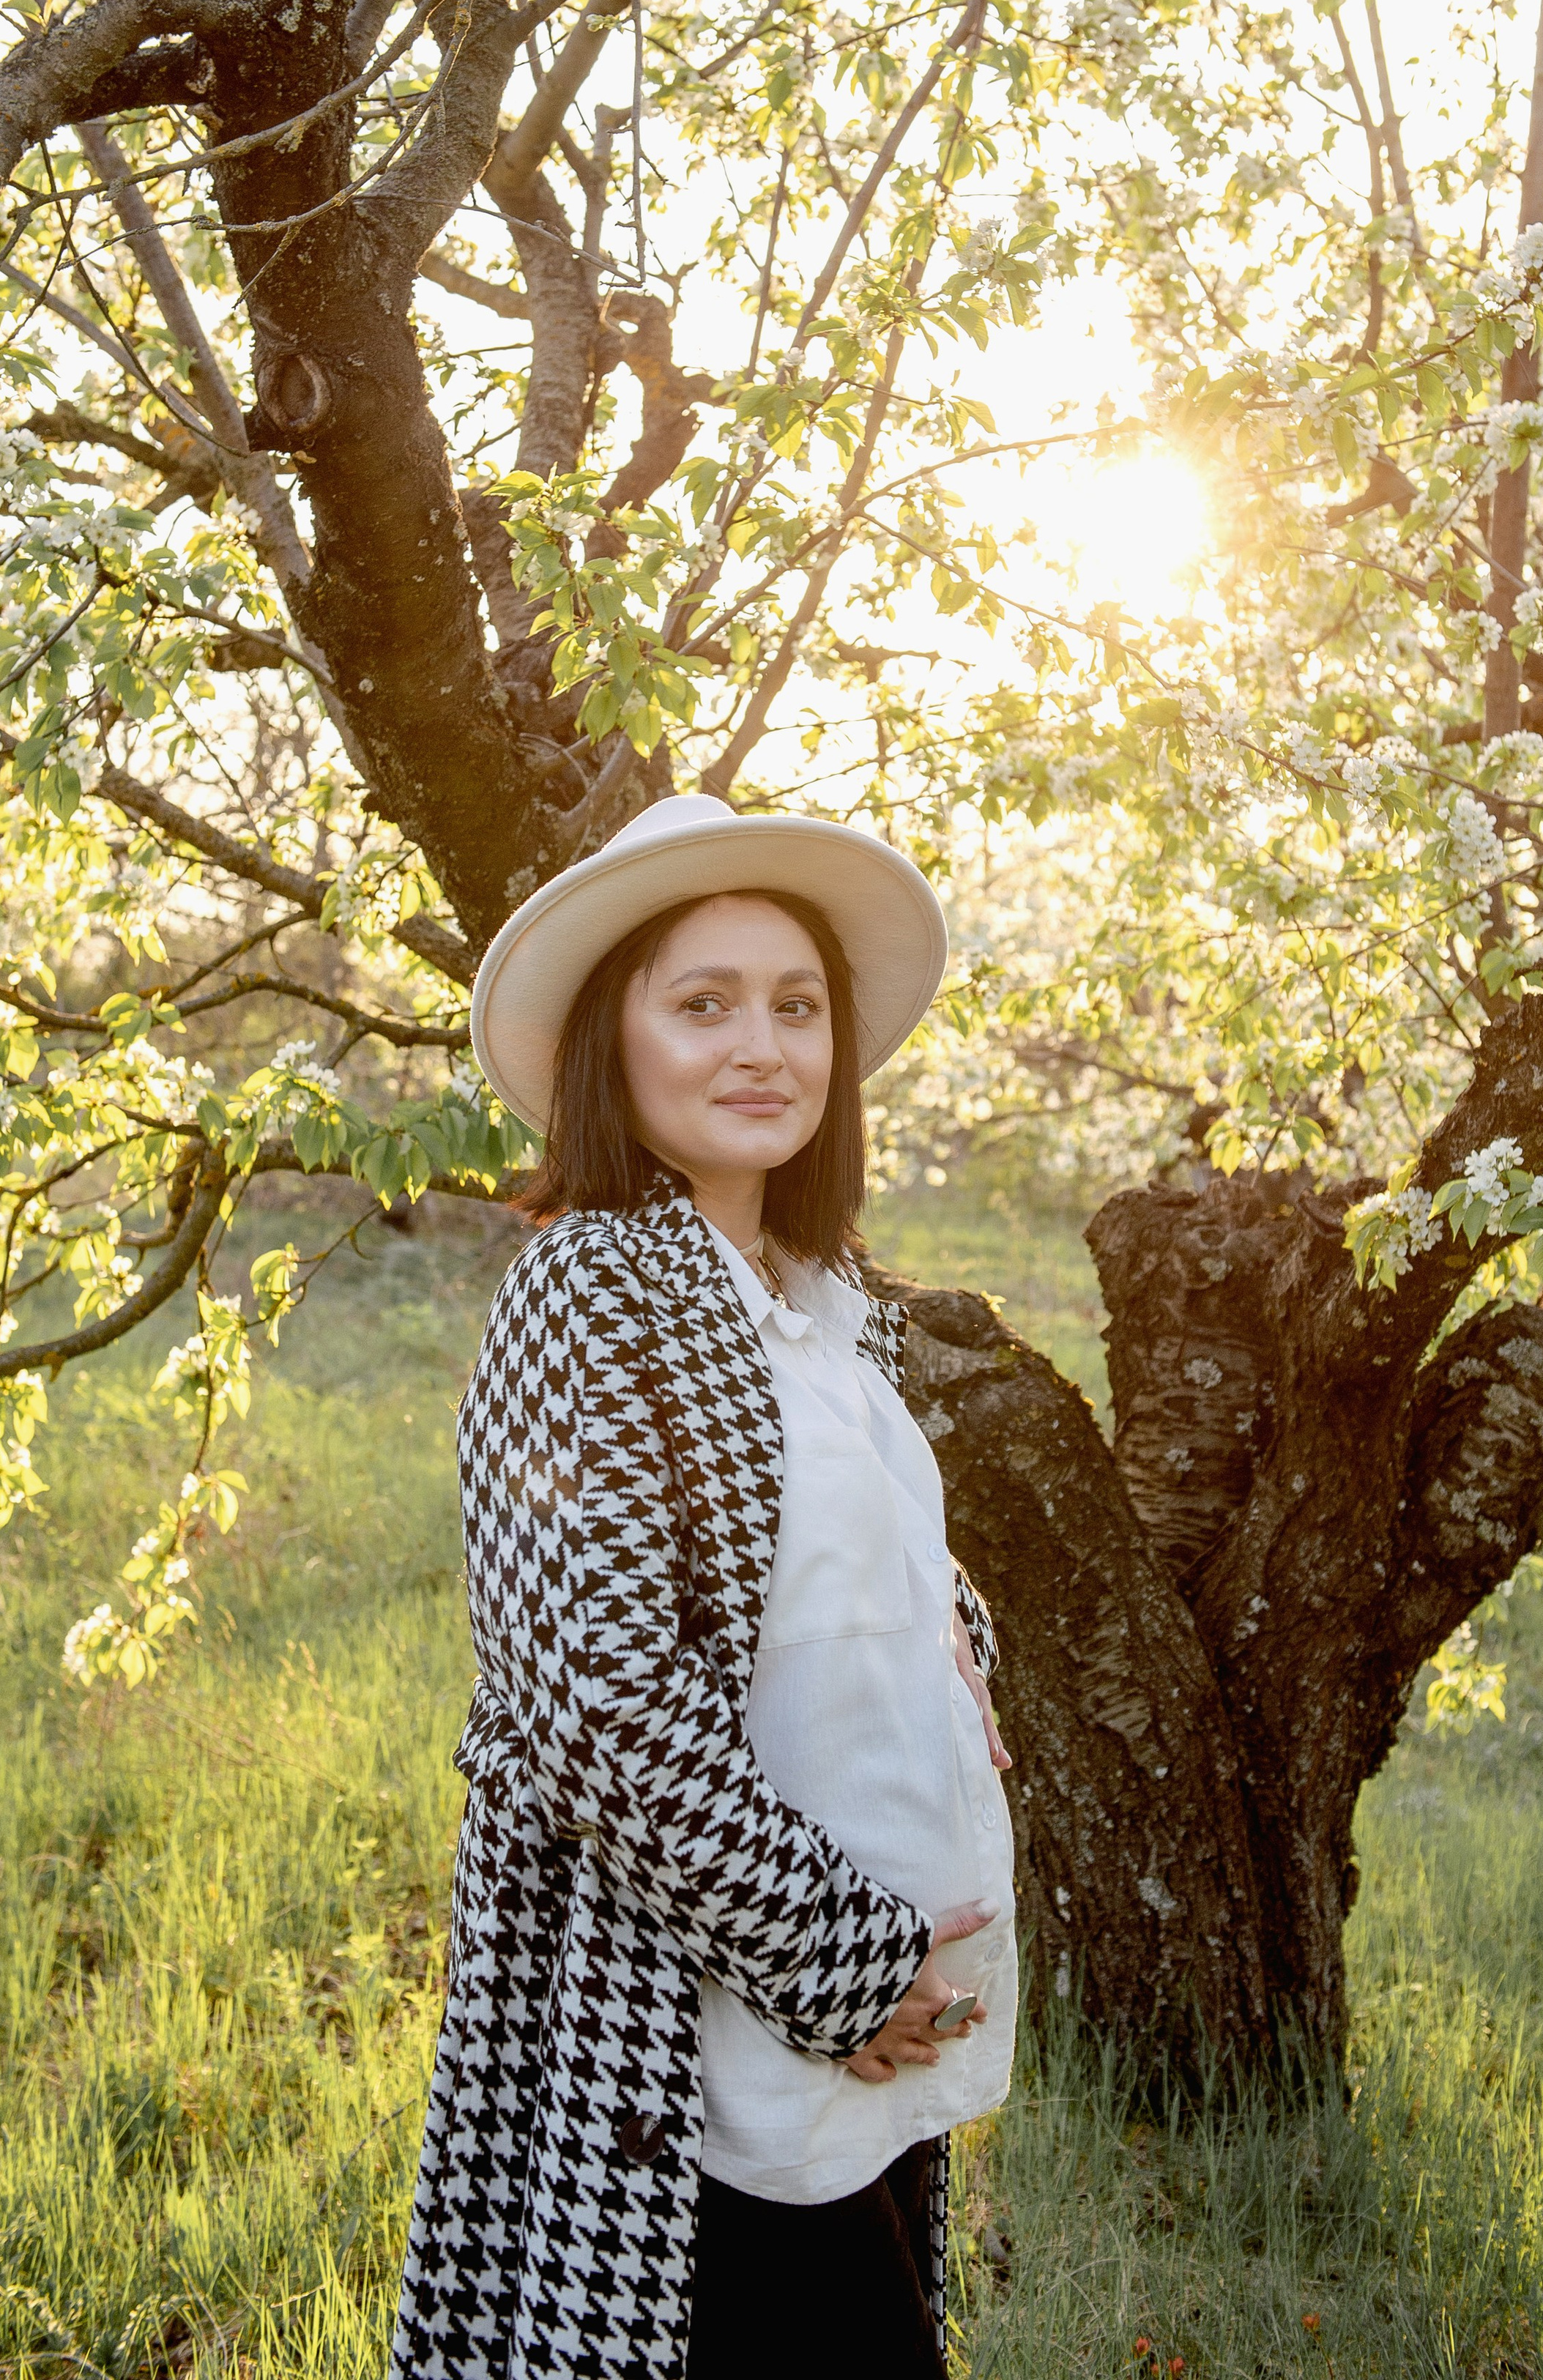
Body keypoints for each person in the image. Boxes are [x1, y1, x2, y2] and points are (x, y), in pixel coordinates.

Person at [389, 792, 1017, 2380]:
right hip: (700, 2005)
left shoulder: (824, 1302)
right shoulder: (591, 1282)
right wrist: (842, 1962)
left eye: (796, 1005)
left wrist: (964, 1645)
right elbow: (597, 1691)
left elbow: (863, 1566)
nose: (764, 1045)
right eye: (705, 1002)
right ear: (618, 1044)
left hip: (864, 1981)